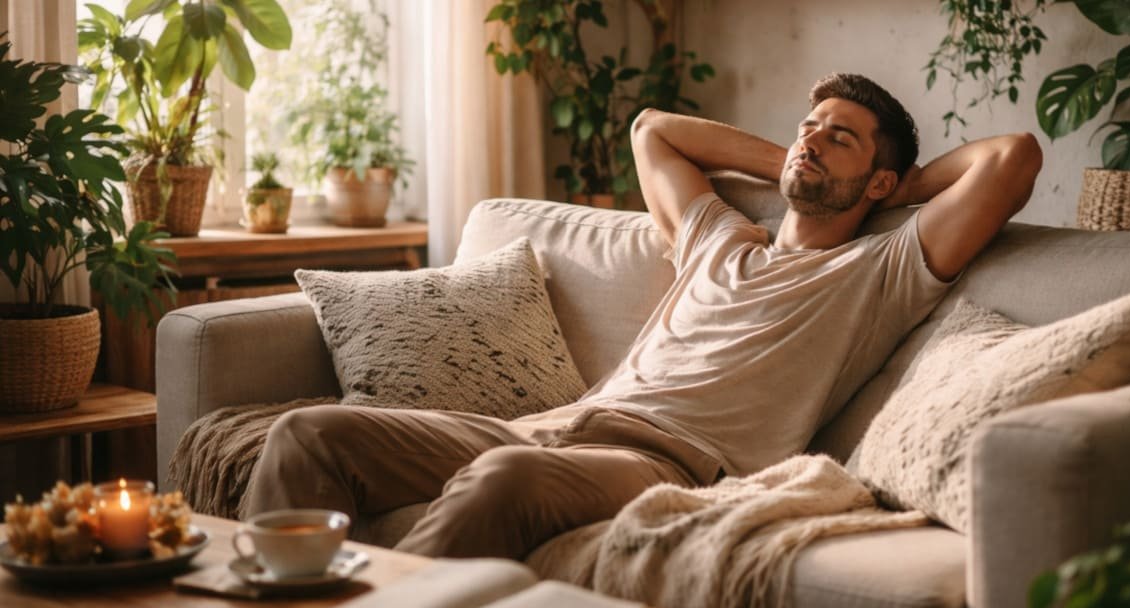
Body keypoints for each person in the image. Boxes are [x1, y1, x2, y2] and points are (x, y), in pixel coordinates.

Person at [243, 73, 1042, 560]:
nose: (812, 142)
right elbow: (651, 129)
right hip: (557, 424)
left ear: (879, 182)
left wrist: (901, 192)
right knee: (309, 434)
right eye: (809, 128)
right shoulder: (722, 237)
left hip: (666, 463)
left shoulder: (877, 269)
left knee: (505, 480)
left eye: (840, 139)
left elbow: (1013, 160)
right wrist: (793, 157)